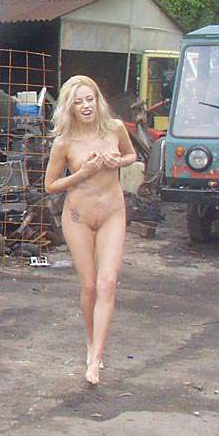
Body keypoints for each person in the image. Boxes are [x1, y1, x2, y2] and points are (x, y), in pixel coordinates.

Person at [44, 75, 136, 385]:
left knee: (107, 284)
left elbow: (132, 155)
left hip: (112, 213)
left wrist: (116, 162)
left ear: (98, 100)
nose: (86, 106)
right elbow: (51, 185)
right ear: (69, 107)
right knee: (89, 286)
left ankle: (96, 359)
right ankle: (90, 339)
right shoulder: (64, 142)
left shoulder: (115, 128)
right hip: (78, 217)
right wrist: (82, 173)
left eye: (90, 99)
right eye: (78, 102)